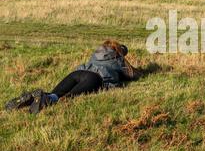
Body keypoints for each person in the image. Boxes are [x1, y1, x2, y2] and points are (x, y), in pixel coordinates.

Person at [5, 40, 142, 114]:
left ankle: (33, 97)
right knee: (67, 98)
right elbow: (132, 75)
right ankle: (41, 100)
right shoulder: (118, 58)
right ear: (119, 51)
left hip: (77, 73)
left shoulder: (96, 54)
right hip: (94, 78)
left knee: (55, 94)